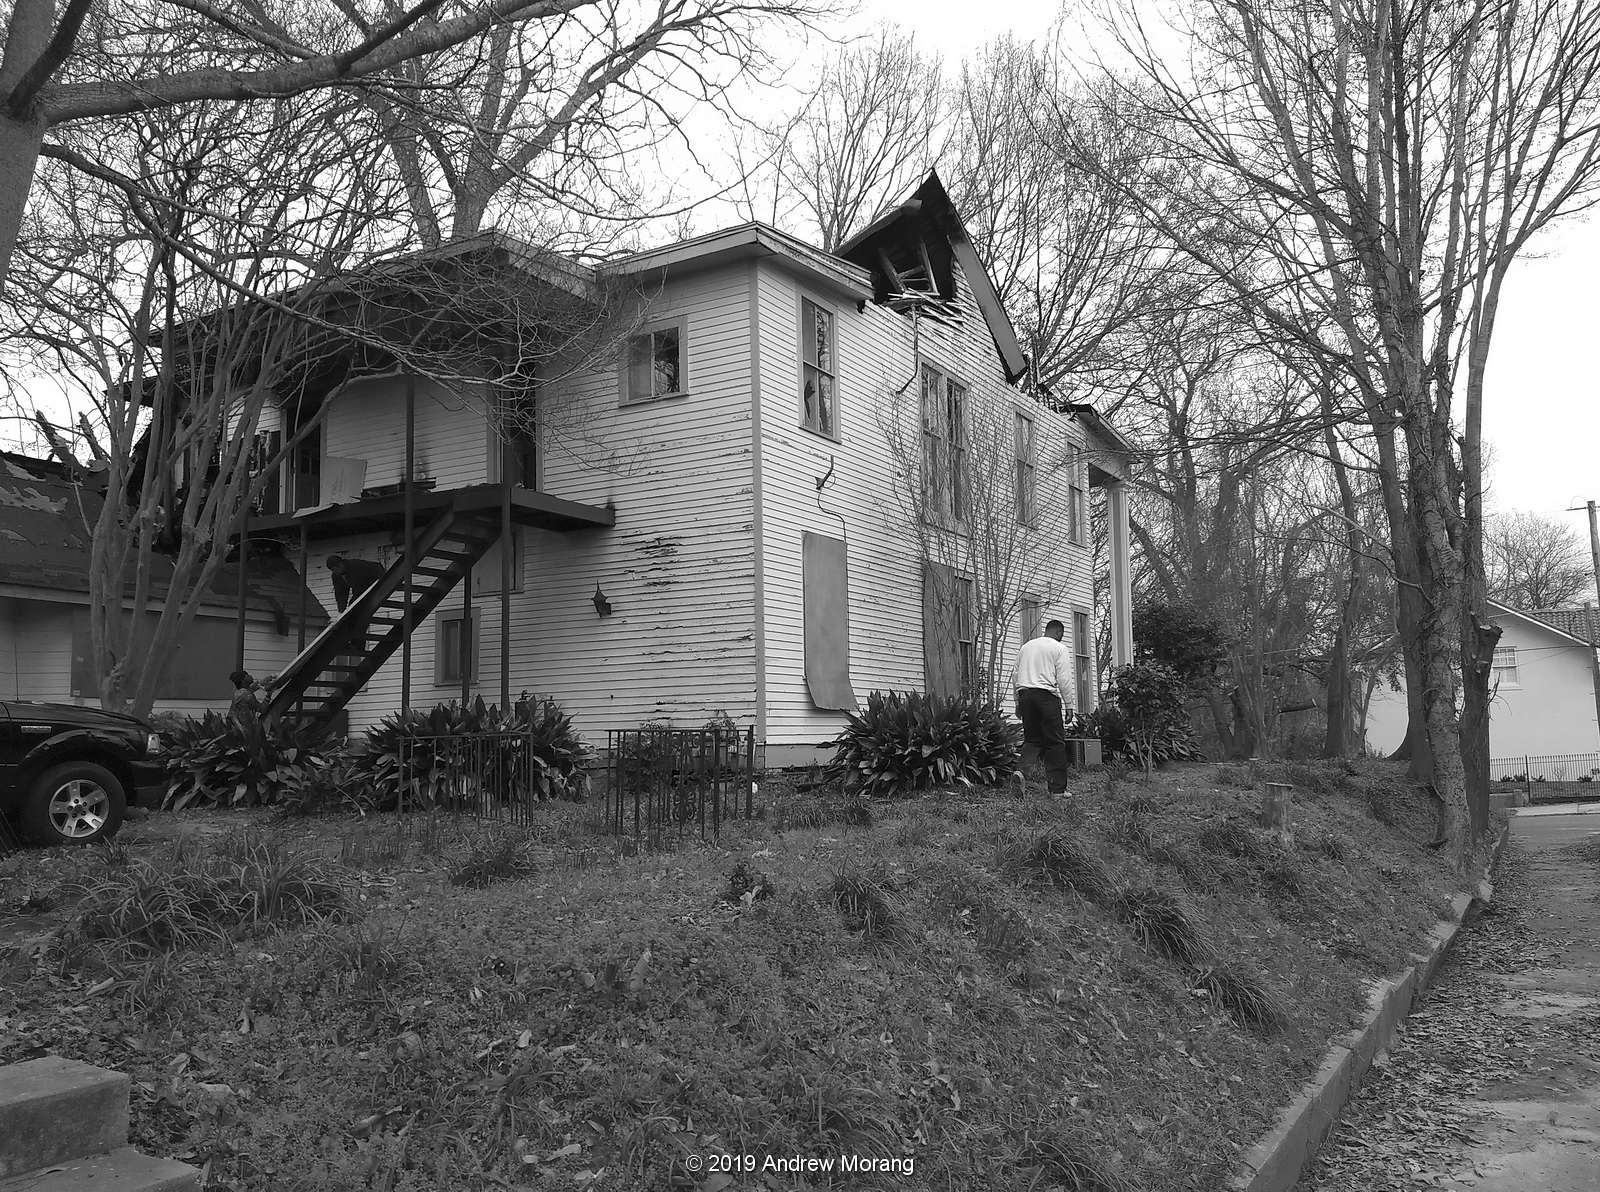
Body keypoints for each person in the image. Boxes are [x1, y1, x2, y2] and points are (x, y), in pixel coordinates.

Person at [1011, 619, 1075, 795]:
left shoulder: (1026, 647)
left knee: (1032, 739)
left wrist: (1017, 702)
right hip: (1046, 696)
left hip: (1025, 695)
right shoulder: (1058, 648)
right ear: (1059, 633)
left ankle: (1020, 772)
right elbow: (1063, 678)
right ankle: (1057, 790)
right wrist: (1069, 704)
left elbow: (1015, 674)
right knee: (1054, 742)